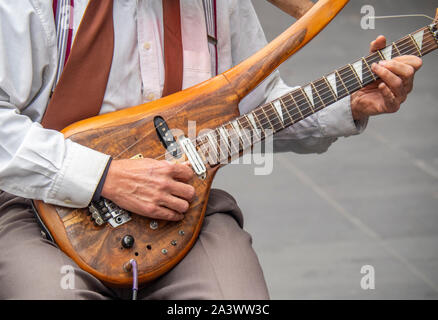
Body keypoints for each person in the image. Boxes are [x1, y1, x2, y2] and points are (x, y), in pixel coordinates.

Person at [0, 0, 422, 299]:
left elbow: (255, 109)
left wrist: (349, 103)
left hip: (182, 211)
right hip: (39, 209)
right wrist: (105, 177)